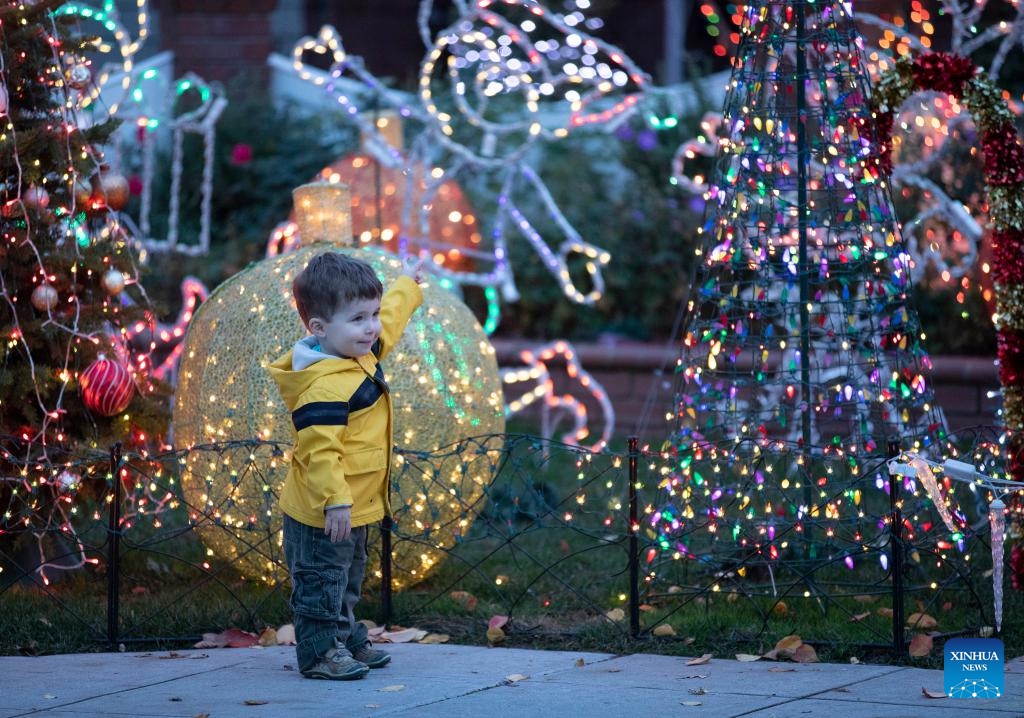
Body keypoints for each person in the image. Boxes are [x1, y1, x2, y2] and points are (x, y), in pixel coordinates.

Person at [268, 250, 424, 680]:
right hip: (325, 510)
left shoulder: (358, 352)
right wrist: (335, 501)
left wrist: (406, 287)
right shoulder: (322, 387)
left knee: (348, 577)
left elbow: (388, 321)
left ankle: (344, 635)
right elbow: (320, 453)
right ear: (318, 328)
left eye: (371, 314)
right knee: (321, 580)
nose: (371, 327)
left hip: (352, 505)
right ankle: (319, 652)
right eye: (358, 319)